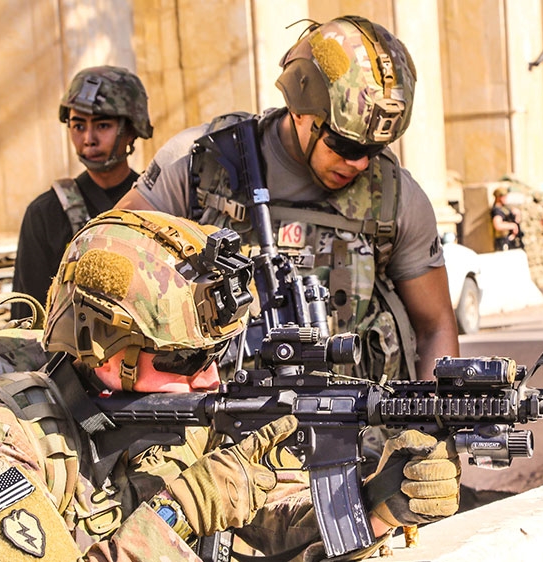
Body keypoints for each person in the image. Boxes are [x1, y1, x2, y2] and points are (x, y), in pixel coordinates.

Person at [0, 209, 461, 561]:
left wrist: (375, 506)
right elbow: (197, 506)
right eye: (186, 358)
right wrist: (181, 509)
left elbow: (263, 527)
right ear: (104, 348)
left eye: (218, 354)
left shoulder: (180, 422)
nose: (210, 377)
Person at [116, 15, 458, 383]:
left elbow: (435, 326)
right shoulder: (198, 164)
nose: (359, 163)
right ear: (299, 111)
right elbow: (111, 262)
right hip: (213, 413)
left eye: (374, 150)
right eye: (343, 145)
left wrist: (431, 415)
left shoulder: (395, 197)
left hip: (357, 416)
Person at [11, 66, 152, 319]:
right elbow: (27, 318)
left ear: (132, 130)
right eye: (78, 126)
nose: (88, 139)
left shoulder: (156, 203)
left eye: (103, 125)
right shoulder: (45, 214)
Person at [490, 187, 523, 251]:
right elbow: (497, 225)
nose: (506, 198)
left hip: (509, 240)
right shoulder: (497, 210)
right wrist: (512, 226)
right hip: (504, 240)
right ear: (499, 197)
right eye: (504, 197)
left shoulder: (503, 208)